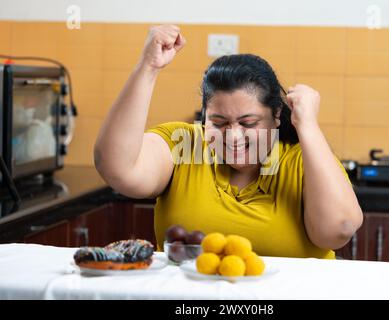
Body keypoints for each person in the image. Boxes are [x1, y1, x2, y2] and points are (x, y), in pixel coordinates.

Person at [94, 25, 363, 258]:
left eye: (248, 123)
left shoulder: (302, 159)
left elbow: (338, 230)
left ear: (276, 115)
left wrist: (308, 125)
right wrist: (148, 67)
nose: (233, 137)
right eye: (219, 123)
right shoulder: (184, 145)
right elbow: (116, 168)